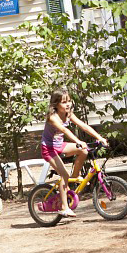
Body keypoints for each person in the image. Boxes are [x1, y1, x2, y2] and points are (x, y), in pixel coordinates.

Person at [41, 88, 108, 218]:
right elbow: (65, 131)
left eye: (69, 101)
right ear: (55, 104)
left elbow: (83, 126)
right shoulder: (52, 117)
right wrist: (78, 141)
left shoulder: (68, 114)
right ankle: (64, 207)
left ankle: (72, 180)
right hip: (48, 148)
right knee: (64, 175)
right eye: (64, 102)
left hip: (60, 145)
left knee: (83, 151)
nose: (68, 104)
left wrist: (99, 138)